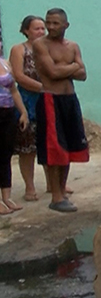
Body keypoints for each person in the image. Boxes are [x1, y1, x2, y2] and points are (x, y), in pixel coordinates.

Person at [32, 8, 89, 213]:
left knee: (70, 147)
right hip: (50, 99)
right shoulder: (41, 45)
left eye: (56, 23)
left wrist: (69, 68)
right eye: (48, 22)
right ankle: (55, 195)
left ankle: (62, 191)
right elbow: (53, 72)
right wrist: (72, 67)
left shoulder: (73, 46)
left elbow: (83, 74)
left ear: (66, 25)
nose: (51, 27)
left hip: (70, 100)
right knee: (55, 149)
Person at [8, 15, 47, 201]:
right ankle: (29, 187)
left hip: (48, 100)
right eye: (36, 28)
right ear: (26, 31)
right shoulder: (19, 49)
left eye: (43, 28)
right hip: (27, 102)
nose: (41, 32)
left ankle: (53, 183)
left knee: (49, 143)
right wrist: (44, 88)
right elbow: (18, 76)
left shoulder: (48, 48)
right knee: (28, 147)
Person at [0, 56, 30, 214]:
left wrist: (23, 112)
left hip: (9, 113)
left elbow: (14, 90)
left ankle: (6, 197)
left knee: (6, 155)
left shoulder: (5, 63)